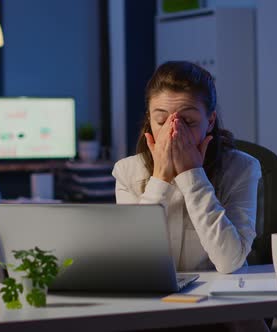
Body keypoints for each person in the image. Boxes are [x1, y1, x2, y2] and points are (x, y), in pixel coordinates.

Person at [112, 61, 268, 331]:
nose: (174, 131)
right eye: (161, 120)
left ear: (210, 121)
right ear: (149, 120)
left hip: (221, 312)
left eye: (188, 121)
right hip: (151, 310)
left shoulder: (242, 168)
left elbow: (230, 261)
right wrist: (159, 179)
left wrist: (192, 174)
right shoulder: (127, 171)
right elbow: (131, 264)